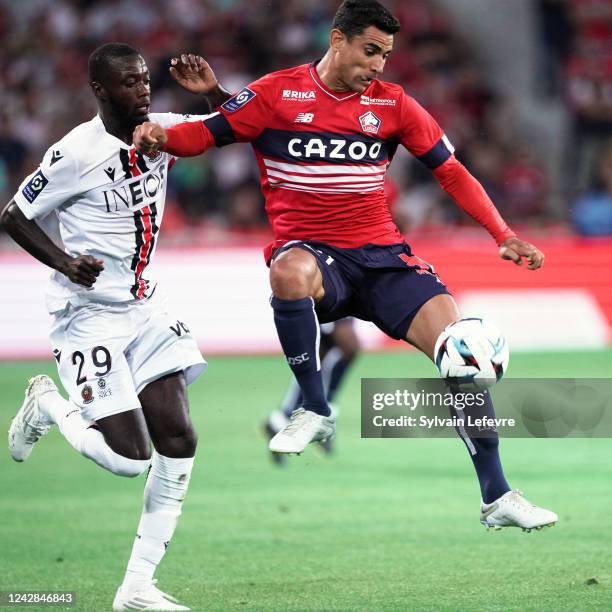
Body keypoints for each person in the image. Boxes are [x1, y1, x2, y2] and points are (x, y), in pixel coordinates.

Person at [133, 0, 557, 531]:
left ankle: (497, 495)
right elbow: (205, 134)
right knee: (286, 272)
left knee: (462, 355)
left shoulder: (395, 104)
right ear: (338, 39)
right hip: (317, 257)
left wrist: (504, 233)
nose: (379, 64)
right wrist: (160, 135)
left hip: (384, 259)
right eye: (370, 50)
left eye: (386, 54)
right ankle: (313, 409)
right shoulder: (276, 93)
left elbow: (451, 172)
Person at [1, 44, 230, 611]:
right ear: (101, 91)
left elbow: (239, 127)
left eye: (146, 81)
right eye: (129, 83)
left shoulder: (164, 129)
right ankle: (48, 405)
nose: (144, 91)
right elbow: (13, 215)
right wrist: (63, 262)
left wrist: (215, 96)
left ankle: (136, 589)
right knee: (129, 458)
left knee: (179, 436)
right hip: (88, 317)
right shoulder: (75, 152)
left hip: (145, 307)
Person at [263, 318, 360, 465]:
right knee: (346, 347)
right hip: (322, 298)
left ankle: (280, 418)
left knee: (319, 356)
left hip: (342, 297)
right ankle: (322, 413)